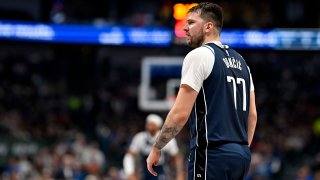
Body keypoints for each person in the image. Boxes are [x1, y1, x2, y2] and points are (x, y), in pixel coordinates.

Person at [147, 2, 257, 180]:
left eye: (190, 23)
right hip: (241, 155)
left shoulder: (199, 55)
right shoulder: (242, 62)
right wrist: (240, 149)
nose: (185, 28)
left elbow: (180, 114)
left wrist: (157, 146)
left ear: (208, 26)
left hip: (212, 153)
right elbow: (252, 115)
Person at [123, 114, 184, 180]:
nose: (149, 125)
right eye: (148, 122)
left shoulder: (166, 138)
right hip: (144, 172)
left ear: (158, 126)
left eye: (152, 123)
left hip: (162, 172)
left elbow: (177, 158)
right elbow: (129, 156)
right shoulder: (140, 138)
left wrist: (180, 175)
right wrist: (129, 173)